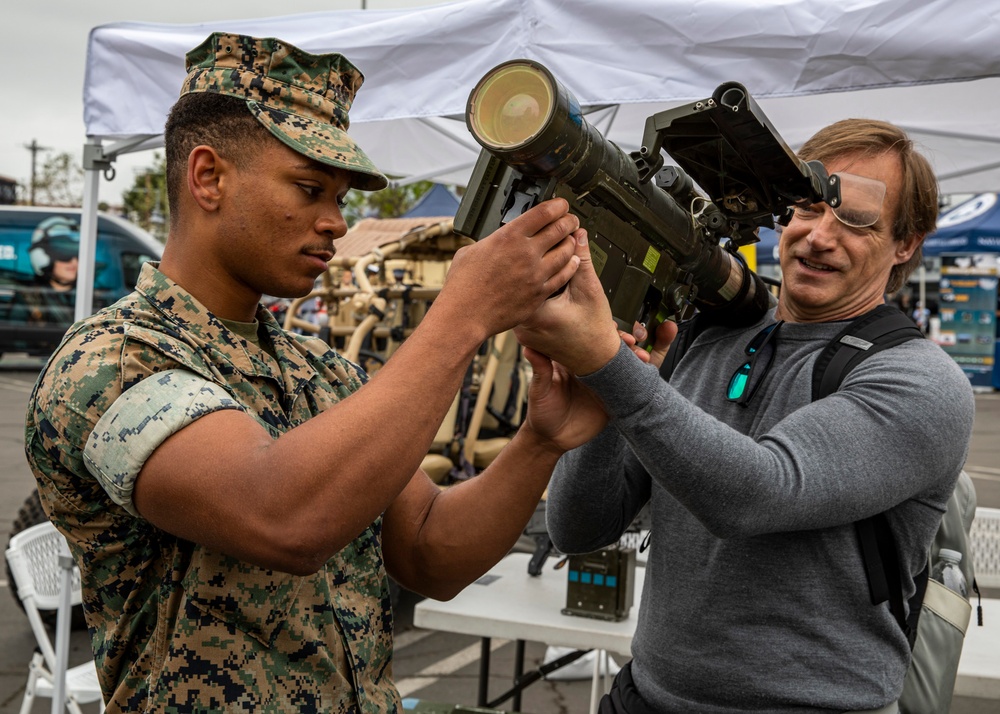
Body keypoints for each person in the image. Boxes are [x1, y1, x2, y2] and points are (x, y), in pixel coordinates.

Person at [24, 33, 598, 713]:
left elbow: (426, 553)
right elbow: (283, 518)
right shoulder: (111, 361)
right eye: (309, 189)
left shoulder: (322, 371)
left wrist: (539, 440)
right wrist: (463, 314)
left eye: (342, 198)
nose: (335, 222)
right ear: (208, 177)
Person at [514, 118, 975, 713]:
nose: (817, 237)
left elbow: (759, 492)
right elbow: (578, 529)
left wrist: (609, 365)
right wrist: (602, 393)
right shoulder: (700, 337)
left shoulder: (921, 381)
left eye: (855, 220)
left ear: (906, 242)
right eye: (807, 208)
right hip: (644, 697)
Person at [8, 215, 80, 325]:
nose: (74, 262)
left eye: (77, 254)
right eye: (64, 254)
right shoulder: (28, 298)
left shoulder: (93, 297)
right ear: (42, 256)